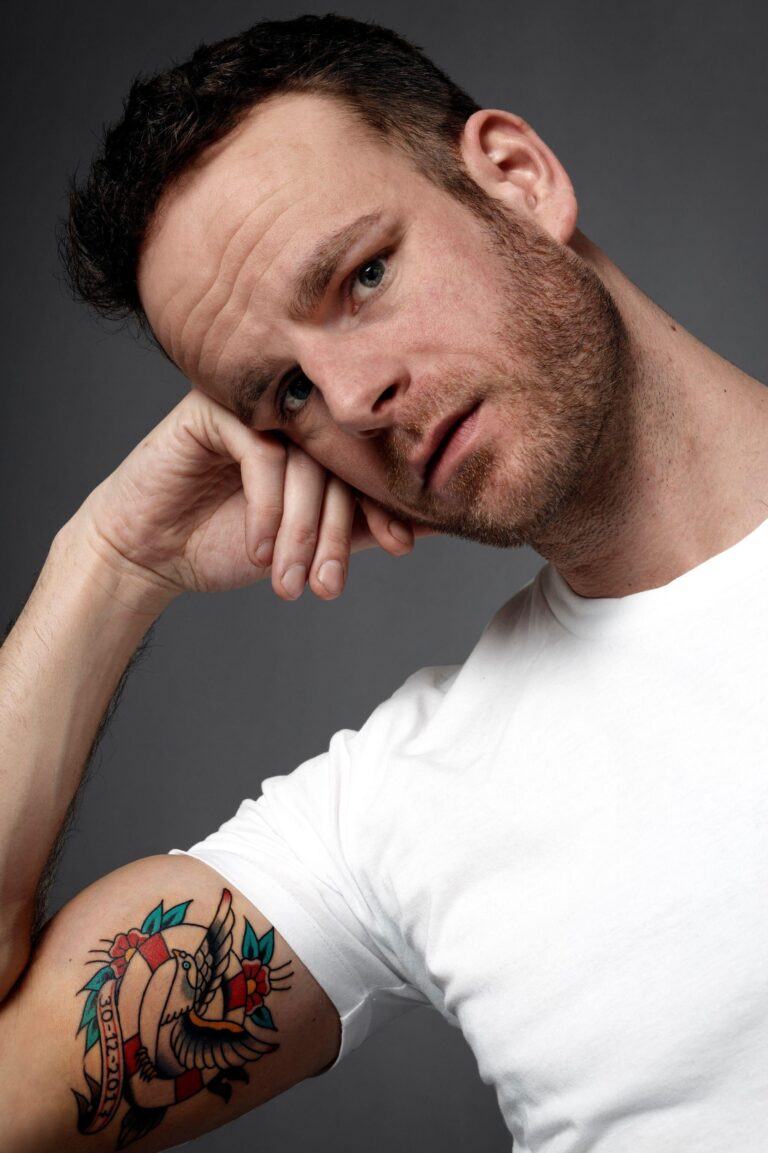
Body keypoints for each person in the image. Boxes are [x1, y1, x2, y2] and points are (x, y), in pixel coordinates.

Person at [1, 11, 767, 1151]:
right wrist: (109, 560)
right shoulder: (407, 803)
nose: (353, 399)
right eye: (287, 394)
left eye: (362, 277)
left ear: (517, 177)